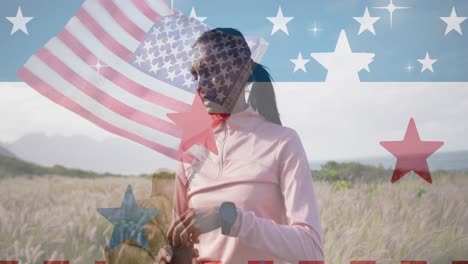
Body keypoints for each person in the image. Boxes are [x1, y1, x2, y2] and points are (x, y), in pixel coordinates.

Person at [155, 27, 324, 264]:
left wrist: (229, 217)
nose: (201, 85)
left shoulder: (282, 142)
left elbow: (311, 248)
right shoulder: (190, 150)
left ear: (243, 71)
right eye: (196, 75)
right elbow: (180, 242)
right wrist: (174, 257)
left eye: (212, 71)